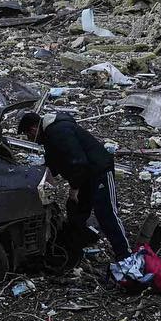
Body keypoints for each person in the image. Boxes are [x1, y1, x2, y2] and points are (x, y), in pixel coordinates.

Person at [18, 110, 131, 261]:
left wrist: (74, 188)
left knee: (106, 213)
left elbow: (78, 161)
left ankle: (125, 254)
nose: (29, 138)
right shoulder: (50, 135)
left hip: (99, 171)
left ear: (33, 129)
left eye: (28, 135)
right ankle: (79, 242)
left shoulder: (59, 132)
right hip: (84, 174)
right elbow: (54, 160)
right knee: (75, 209)